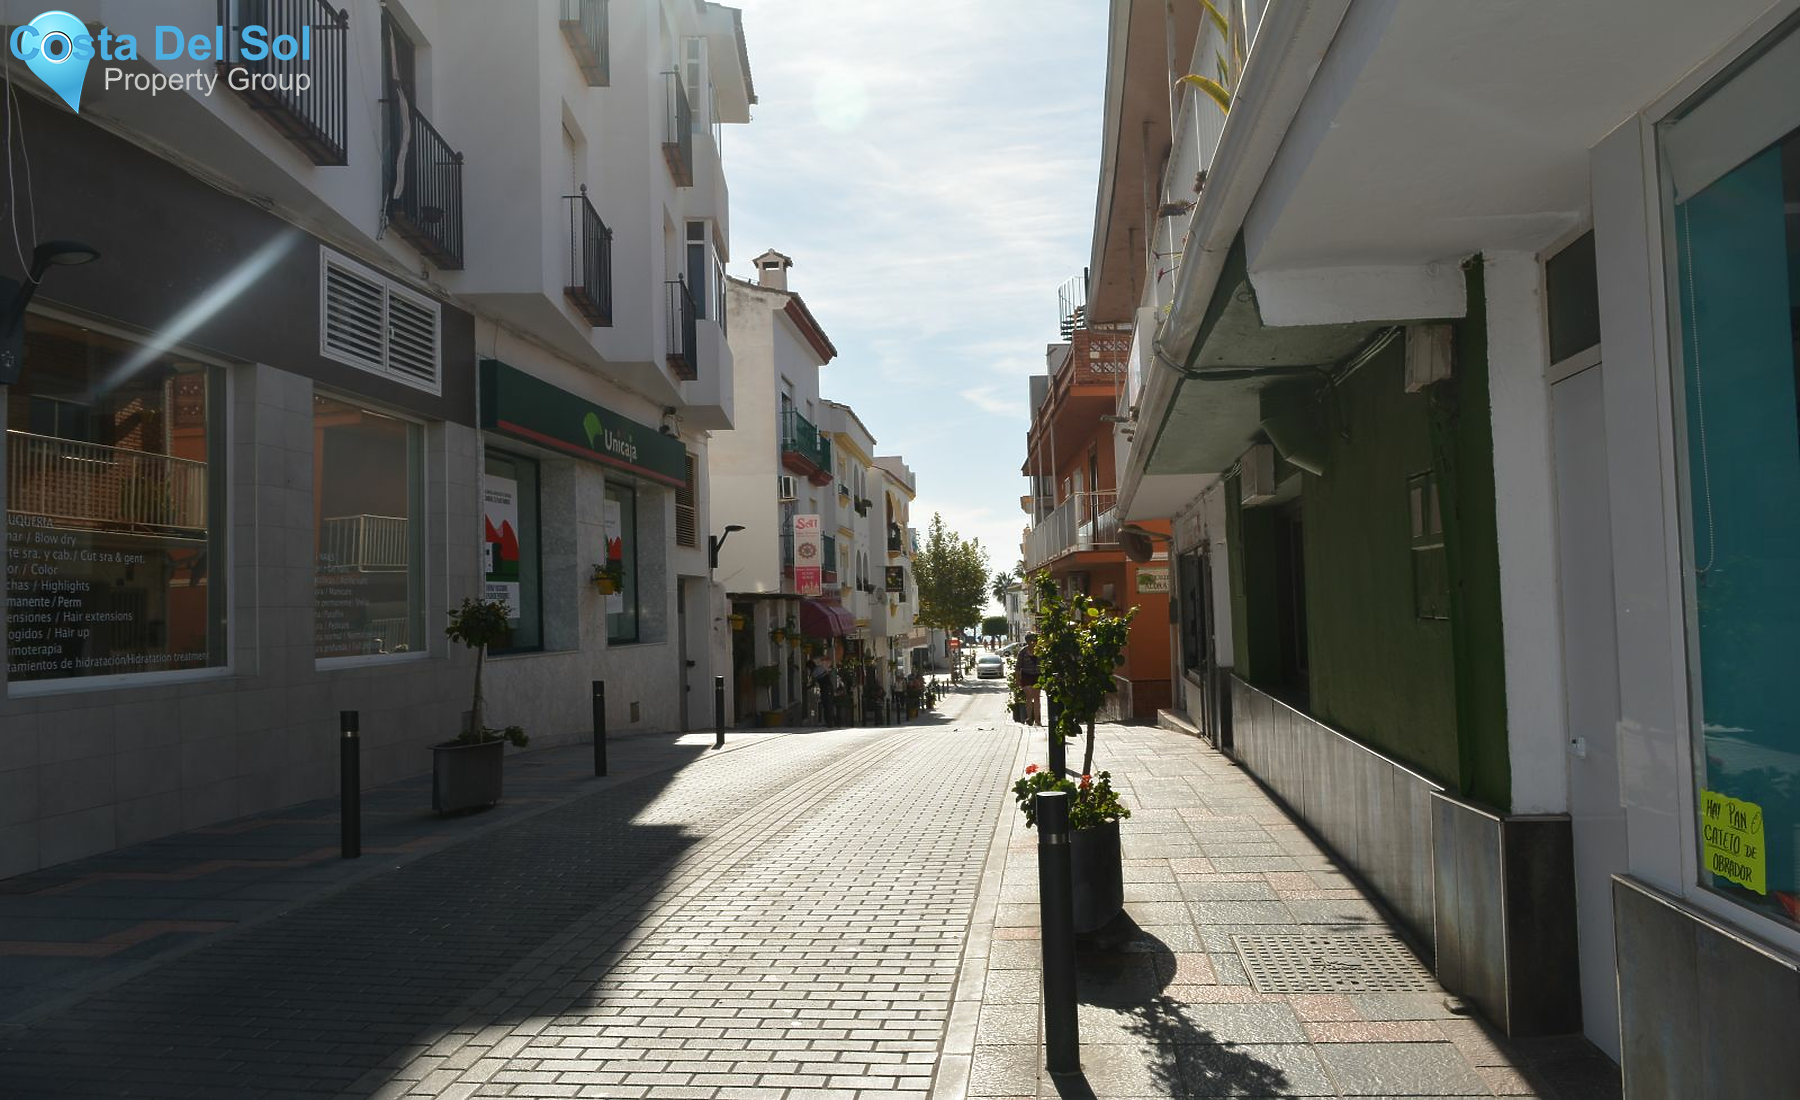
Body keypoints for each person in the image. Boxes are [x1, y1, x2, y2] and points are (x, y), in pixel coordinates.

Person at [1015, 633, 1042, 726]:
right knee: (1029, 697)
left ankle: (1038, 720)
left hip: (1037, 675)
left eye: (1034, 640)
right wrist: (1018, 680)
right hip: (1026, 676)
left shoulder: (1040, 651)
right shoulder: (1022, 652)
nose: (1033, 642)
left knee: (1037, 698)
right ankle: (1029, 718)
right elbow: (1018, 667)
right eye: (1031, 640)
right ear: (1027, 641)